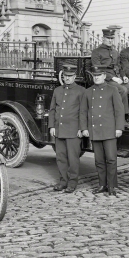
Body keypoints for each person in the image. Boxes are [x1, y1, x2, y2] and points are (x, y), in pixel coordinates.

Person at [80, 65, 125, 197]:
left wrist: (119, 128)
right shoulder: (88, 92)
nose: (96, 78)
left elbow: (119, 110)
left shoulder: (112, 90)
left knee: (111, 159)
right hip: (95, 130)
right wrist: (84, 128)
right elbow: (83, 112)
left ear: (104, 76)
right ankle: (102, 185)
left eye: (99, 75)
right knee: (99, 160)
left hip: (109, 130)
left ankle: (111, 186)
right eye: (94, 76)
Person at [49, 63, 85, 194]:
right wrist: (52, 126)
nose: (68, 78)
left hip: (73, 130)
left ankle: (72, 182)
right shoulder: (57, 91)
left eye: (70, 76)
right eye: (65, 76)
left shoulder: (81, 91)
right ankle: (63, 181)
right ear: (62, 76)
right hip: (59, 129)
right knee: (60, 157)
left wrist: (81, 128)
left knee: (73, 158)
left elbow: (83, 111)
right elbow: (53, 109)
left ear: (75, 76)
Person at [91, 28, 129, 115]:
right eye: (108, 38)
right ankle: (123, 116)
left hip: (118, 78)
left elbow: (119, 67)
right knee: (123, 90)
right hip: (105, 79)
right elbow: (98, 70)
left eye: (111, 38)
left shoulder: (115, 52)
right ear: (103, 38)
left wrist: (124, 76)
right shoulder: (96, 52)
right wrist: (113, 78)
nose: (110, 40)